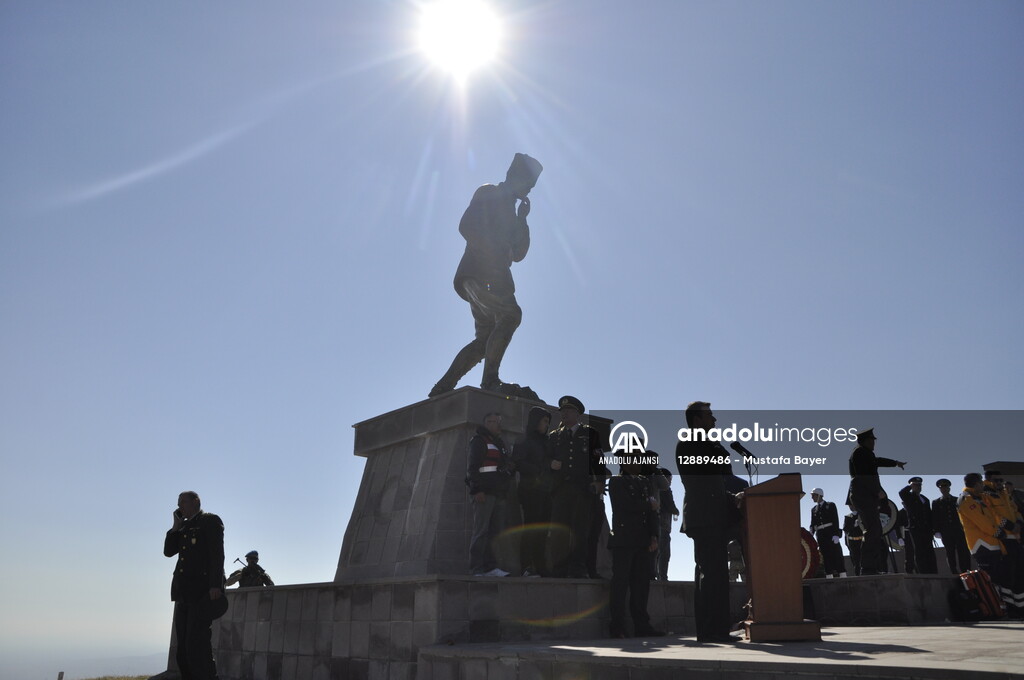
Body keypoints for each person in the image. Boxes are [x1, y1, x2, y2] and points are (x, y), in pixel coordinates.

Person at [429, 153, 544, 398]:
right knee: (511, 315)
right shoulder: (489, 192)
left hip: (492, 276)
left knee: (484, 340)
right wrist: (495, 255)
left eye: (532, 187)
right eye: (528, 184)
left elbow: (519, 254)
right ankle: (490, 381)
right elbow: (467, 226)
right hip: (481, 271)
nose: (528, 190)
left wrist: (522, 220)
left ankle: (443, 386)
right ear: (514, 176)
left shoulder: (514, 213)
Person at [677, 401, 743, 643]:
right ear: (697, 420)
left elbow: (716, 483)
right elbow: (700, 483)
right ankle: (711, 630)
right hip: (704, 517)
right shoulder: (688, 444)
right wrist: (715, 447)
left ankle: (716, 629)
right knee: (711, 574)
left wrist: (733, 497)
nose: (714, 420)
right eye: (709, 416)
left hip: (714, 516)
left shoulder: (707, 444)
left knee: (717, 574)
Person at [163, 490, 225, 680]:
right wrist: (175, 527)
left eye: (183, 502)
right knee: (182, 647)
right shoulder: (184, 526)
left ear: (196, 501)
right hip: (183, 592)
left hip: (201, 592)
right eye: (178, 503)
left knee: (196, 644)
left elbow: (217, 554)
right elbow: (168, 552)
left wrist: (215, 585)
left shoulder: (210, 521)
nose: (179, 506)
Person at [546, 395, 609, 578]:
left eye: (568, 410)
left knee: (580, 531)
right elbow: (545, 459)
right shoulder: (554, 436)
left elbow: (598, 459)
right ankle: (559, 568)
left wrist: (599, 482)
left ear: (577, 414)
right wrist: (550, 464)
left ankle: (577, 567)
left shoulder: (589, 433)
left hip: (582, 489)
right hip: (561, 489)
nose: (564, 413)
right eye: (563, 411)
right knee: (559, 531)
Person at [607, 462, 664, 638]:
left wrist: (654, 535)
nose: (639, 463)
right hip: (624, 540)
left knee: (641, 585)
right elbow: (624, 505)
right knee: (620, 584)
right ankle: (617, 626)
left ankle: (642, 625)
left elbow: (653, 513)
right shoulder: (617, 482)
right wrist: (648, 504)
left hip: (642, 540)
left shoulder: (644, 482)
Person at [847, 428, 906, 575]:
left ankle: (871, 567)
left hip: (867, 495)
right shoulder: (859, 453)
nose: (874, 443)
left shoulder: (866, 453)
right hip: (863, 495)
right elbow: (863, 476)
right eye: (871, 440)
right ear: (864, 441)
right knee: (872, 530)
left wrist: (895, 463)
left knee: (876, 530)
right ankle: (867, 568)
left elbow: (877, 461)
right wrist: (877, 491)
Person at [467, 412, 513, 576]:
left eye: (498, 421)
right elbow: (473, 467)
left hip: (499, 493)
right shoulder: (479, 441)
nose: (497, 424)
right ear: (486, 424)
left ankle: (491, 567)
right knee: (481, 531)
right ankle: (476, 568)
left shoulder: (499, 443)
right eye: (492, 421)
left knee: (496, 532)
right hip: (484, 493)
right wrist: (477, 490)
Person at [512, 406, 553, 577]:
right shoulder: (524, 440)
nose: (546, 425)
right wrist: (541, 469)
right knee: (531, 528)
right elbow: (517, 463)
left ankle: (540, 566)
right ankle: (526, 566)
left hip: (546, 492)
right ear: (536, 421)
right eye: (544, 421)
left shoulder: (547, 442)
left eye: (548, 422)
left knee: (542, 531)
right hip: (530, 491)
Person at [958, 472, 1010, 606]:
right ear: (976, 484)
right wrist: (999, 533)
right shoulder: (966, 500)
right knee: (992, 580)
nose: (983, 485)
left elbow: (992, 516)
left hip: (993, 544)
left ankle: (1005, 606)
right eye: (981, 483)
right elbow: (982, 522)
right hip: (982, 546)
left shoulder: (980, 497)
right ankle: (997, 606)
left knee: (1002, 577)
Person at [932, 478, 972, 574]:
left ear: (949, 488)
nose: (944, 489)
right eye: (942, 487)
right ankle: (953, 571)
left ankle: (966, 571)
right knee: (950, 553)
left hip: (958, 530)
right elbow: (935, 517)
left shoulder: (956, 500)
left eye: (946, 487)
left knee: (963, 551)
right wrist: (936, 531)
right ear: (940, 489)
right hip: (946, 532)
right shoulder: (936, 502)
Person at [899, 477, 937, 574]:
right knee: (920, 551)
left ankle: (933, 571)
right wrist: (910, 486)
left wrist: (933, 529)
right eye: (916, 485)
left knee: (929, 551)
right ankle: (923, 572)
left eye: (919, 485)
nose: (918, 487)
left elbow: (929, 514)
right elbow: (901, 493)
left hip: (927, 529)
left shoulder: (925, 499)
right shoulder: (909, 497)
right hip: (916, 528)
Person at [809, 488, 846, 578]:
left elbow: (835, 520)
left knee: (836, 553)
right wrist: (810, 534)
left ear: (819, 495)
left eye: (813, 495)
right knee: (825, 555)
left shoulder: (830, 505)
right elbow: (813, 524)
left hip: (831, 533)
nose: (812, 497)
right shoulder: (813, 509)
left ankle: (842, 573)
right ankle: (829, 574)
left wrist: (836, 534)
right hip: (821, 534)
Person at [650, 466, 679, 580]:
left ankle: (655, 574)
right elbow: (671, 506)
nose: (670, 483)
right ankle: (662, 576)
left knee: (657, 553)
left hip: (656, 524)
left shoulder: (654, 487)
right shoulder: (665, 490)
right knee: (664, 553)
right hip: (663, 525)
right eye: (670, 480)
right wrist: (676, 511)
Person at [843, 504, 865, 576]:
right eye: (849, 506)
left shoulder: (861, 515)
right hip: (852, 542)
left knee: (863, 559)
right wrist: (853, 525)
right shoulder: (848, 517)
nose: (850, 507)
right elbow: (846, 529)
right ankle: (857, 575)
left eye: (851, 505)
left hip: (862, 540)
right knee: (855, 561)